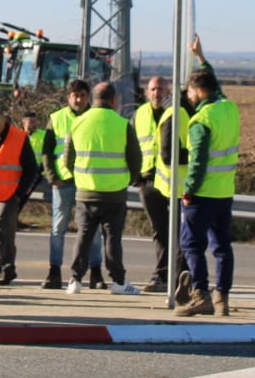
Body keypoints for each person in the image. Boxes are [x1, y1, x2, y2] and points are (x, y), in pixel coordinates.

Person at [174, 35, 241, 318]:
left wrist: (188, 190)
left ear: (199, 91)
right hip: (224, 192)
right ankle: (222, 297)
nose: (187, 96)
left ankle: (200, 294)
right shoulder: (228, 107)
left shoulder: (200, 121)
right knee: (222, 247)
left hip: (202, 194)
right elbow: (217, 86)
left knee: (190, 244)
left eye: (189, 91)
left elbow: (198, 162)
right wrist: (201, 58)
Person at [62, 82, 141, 296]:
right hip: (115, 193)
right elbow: (135, 161)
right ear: (113, 100)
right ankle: (118, 281)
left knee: (84, 236)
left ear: (92, 98)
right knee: (113, 238)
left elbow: (68, 159)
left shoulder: (78, 123)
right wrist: (127, 180)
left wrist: (80, 176)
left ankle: (75, 280)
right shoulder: (123, 124)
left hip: (86, 191)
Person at [41, 79, 102, 290]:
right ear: (68, 97)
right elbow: (47, 151)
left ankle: (96, 272)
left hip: (87, 182)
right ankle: (54, 271)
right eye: (75, 95)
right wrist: (51, 176)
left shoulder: (94, 118)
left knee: (93, 230)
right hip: (63, 182)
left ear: (88, 97)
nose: (78, 99)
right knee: (58, 228)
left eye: (83, 95)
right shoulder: (56, 118)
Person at [133, 75, 188, 294]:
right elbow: (132, 146)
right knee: (159, 231)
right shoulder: (139, 115)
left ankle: (180, 275)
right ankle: (161, 275)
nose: (157, 93)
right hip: (149, 181)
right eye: (153, 89)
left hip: (173, 182)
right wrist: (135, 176)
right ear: (147, 92)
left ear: (169, 92)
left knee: (178, 231)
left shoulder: (175, 113)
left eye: (161, 89)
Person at [0, 104, 40, 288]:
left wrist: (20, 193)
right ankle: (8, 268)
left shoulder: (19, 137)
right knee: (5, 233)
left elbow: (31, 169)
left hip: (10, 194)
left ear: (4, 120)